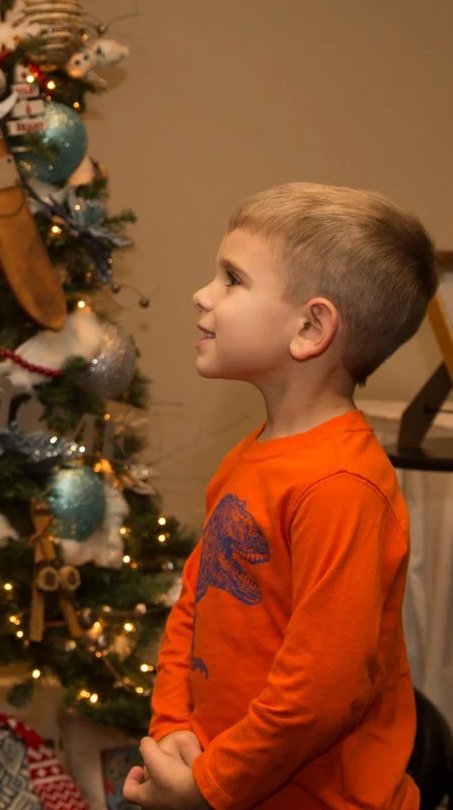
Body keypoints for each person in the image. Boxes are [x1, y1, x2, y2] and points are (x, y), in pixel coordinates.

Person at [126, 183, 436, 810]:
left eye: (232, 279)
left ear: (312, 326)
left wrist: (209, 788)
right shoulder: (249, 456)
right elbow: (195, 605)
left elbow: (322, 691)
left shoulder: (340, 487)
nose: (202, 294)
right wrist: (172, 730)